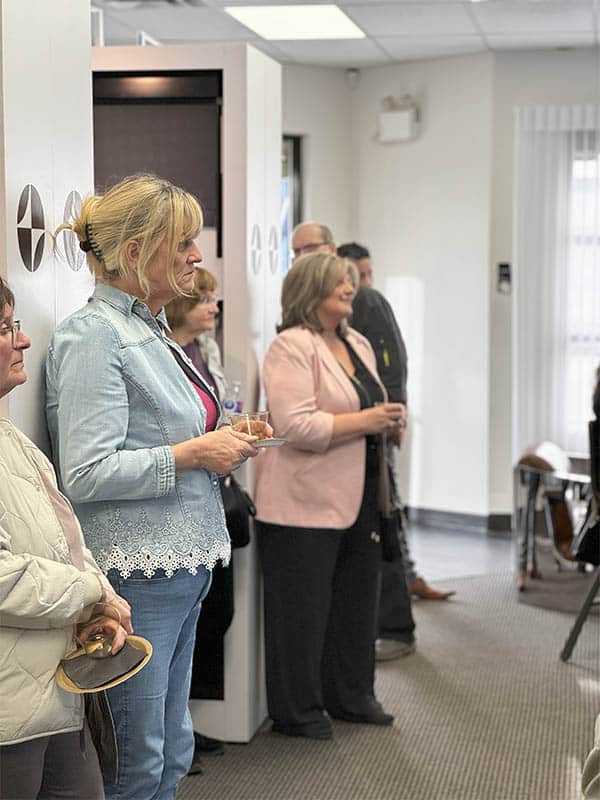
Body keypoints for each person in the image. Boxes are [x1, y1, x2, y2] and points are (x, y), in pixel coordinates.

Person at [45, 174, 259, 800]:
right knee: (136, 760)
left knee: (171, 750)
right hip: (135, 578)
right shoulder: (93, 336)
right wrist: (195, 452)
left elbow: (166, 437)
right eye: (184, 242)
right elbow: (84, 474)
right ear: (135, 252)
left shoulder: (152, 328)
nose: (198, 255)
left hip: (182, 564)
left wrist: (220, 443)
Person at [255, 252, 404, 739]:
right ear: (312, 289)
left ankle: (352, 696)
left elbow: (368, 403)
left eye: (350, 280)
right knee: (301, 613)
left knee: (357, 605)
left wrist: (387, 419)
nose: (350, 287)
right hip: (302, 503)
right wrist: (370, 420)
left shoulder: (355, 340)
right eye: (339, 281)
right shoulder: (290, 346)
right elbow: (295, 424)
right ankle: (298, 712)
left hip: (362, 496)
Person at [0, 277, 131, 800]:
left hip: (51, 688)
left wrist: (101, 600)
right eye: (5, 328)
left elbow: (64, 538)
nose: (23, 340)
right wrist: (90, 594)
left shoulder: (11, 437)